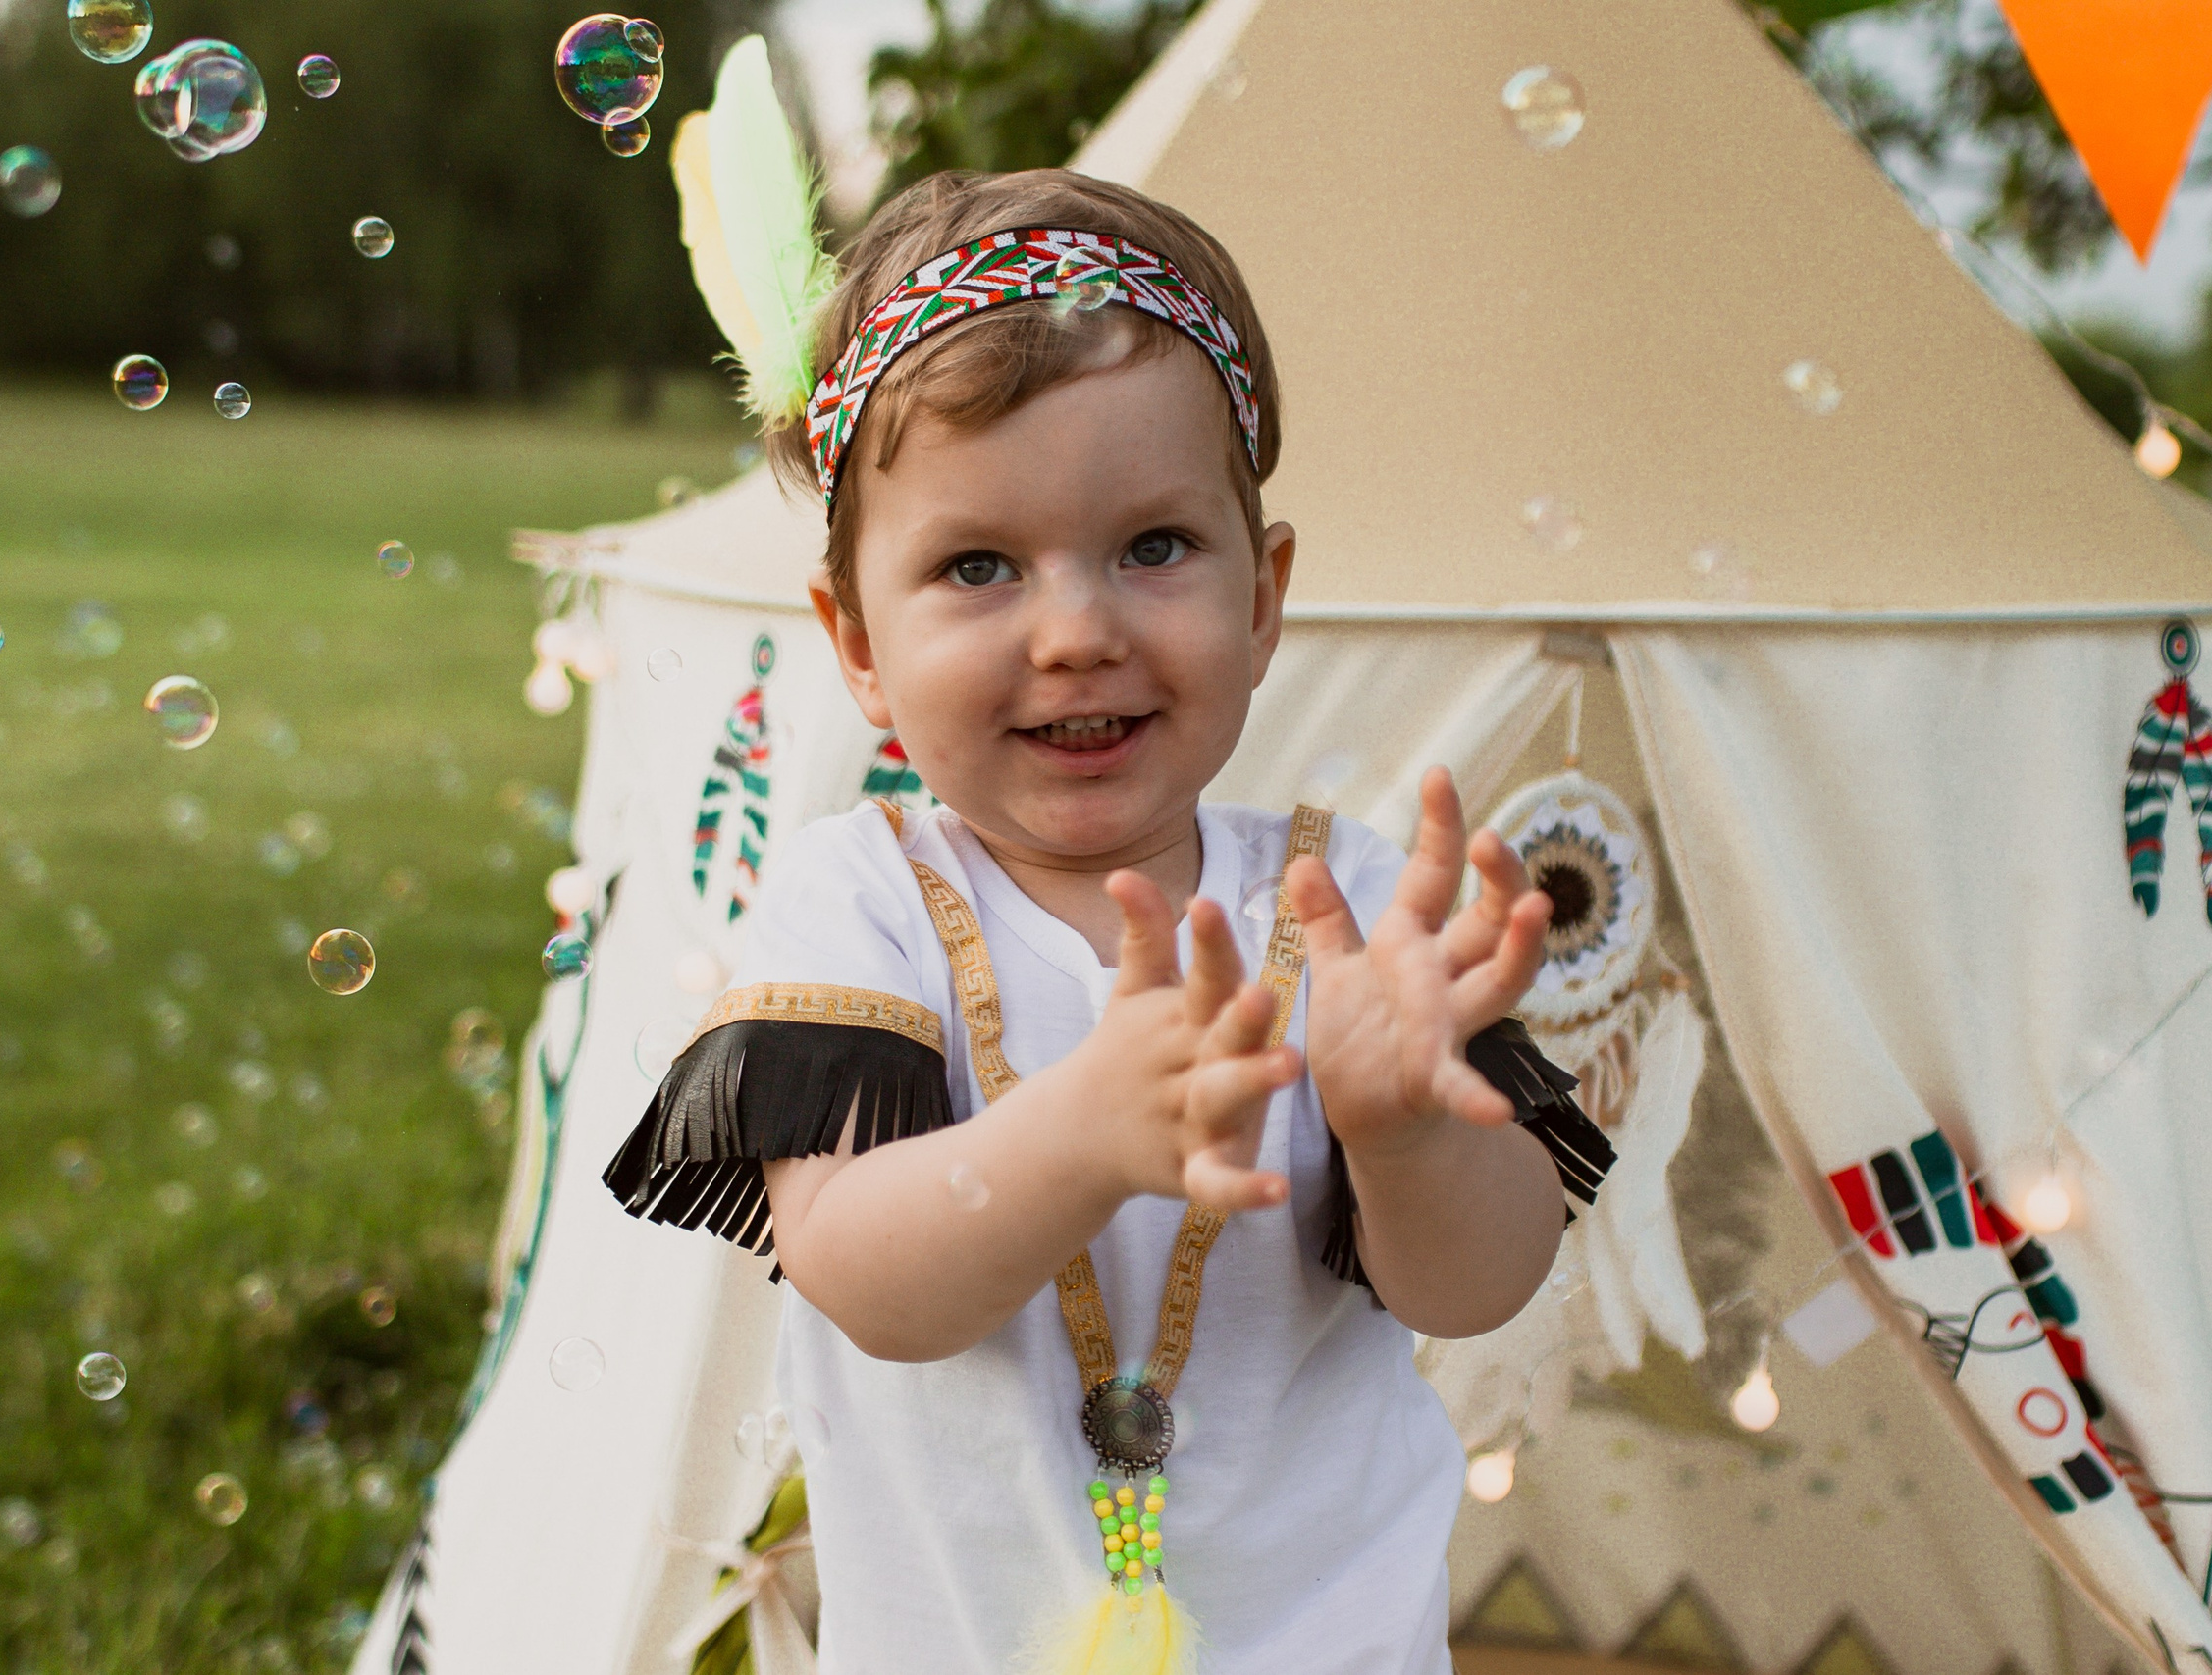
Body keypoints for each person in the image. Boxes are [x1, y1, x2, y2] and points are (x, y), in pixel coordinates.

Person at [608, 165, 1614, 1675]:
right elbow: (862, 1277)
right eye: (977, 567)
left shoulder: (1334, 917)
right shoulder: (857, 905)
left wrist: (1409, 1128)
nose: (1078, 632)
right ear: (857, 644)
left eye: (1154, 548)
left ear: (1263, 598)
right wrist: (1081, 1132)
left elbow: (1476, 1288)